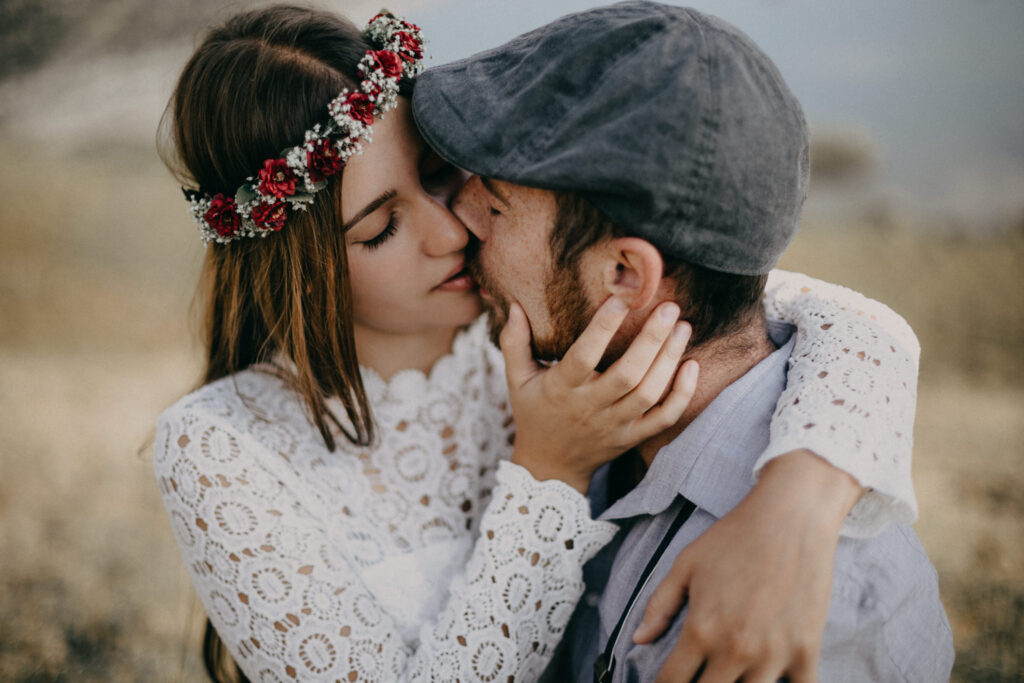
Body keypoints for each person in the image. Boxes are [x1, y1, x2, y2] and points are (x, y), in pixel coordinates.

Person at [153, 5, 924, 682]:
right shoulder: (219, 449)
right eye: (382, 226)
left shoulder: (542, 320)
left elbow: (836, 321)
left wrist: (795, 507)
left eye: (438, 173)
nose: (452, 228)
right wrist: (549, 472)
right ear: (295, 267)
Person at [411, 2, 955, 681]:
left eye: (494, 205)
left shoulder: (805, 618)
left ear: (625, 274)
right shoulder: (589, 405)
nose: (457, 221)